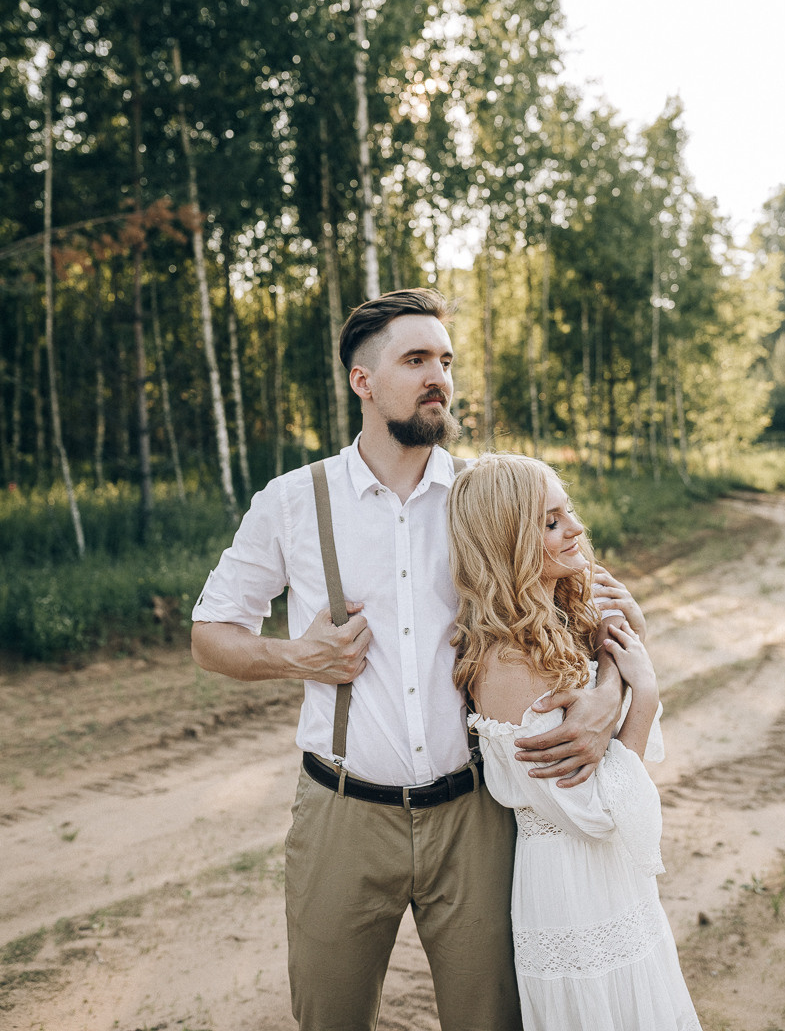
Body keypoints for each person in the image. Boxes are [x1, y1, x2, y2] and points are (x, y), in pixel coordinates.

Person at [191, 288, 646, 1031]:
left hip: (476, 815)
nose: (438, 375)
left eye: (445, 360)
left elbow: (603, 608)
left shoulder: (488, 494)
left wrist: (604, 696)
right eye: (415, 359)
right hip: (340, 814)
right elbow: (210, 634)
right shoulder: (292, 502)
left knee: (495, 1019)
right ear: (362, 381)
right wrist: (294, 656)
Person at [447, 453, 702, 1031]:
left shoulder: (561, 620)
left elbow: (614, 743)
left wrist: (624, 640)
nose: (577, 529)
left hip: (611, 882)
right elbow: (595, 810)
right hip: (572, 891)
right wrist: (645, 691)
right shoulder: (509, 665)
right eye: (552, 521)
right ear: (508, 540)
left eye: (568, 513)